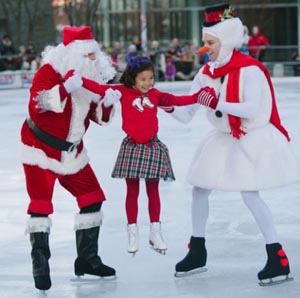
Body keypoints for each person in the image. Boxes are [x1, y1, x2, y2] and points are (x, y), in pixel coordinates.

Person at [169, 4, 300, 285]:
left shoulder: (250, 70)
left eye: (210, 42)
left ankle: (277, 256)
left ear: (226, 40)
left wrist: (216, 102)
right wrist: (164, 104)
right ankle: (198, 250)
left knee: (250, 194)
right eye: (204, 42)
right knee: (200, 189)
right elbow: (186, 113)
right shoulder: (205, 72)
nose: (206, 48)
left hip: (250, 136)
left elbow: (251, 109)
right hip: (223, 135)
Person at [78, 56, 212, 255]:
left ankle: (155, 231)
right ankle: (132, 232)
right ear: (133, 79)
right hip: (132, 146)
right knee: (132, 191)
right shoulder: (122, 92)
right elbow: (98, 88)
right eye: (143, 79)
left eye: (151, 78)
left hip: (151, 145)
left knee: (153, 190)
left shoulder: (156, 94)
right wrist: (78, 79)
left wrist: (197, 97)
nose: (148, 83)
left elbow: (177, 100)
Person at [20, 26, 120, 291]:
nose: (92, 60)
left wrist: (108, 102)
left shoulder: (89, 79)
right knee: (41, 205)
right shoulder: (49, 73)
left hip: (72, 152)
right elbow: (37, 105)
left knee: (93, 198)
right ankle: (40, 261)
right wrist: (64, 89)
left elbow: (99, 118)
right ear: (73, 55)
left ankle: (87, 259)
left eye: (93, 55)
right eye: (87, 55)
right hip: (40, 149)